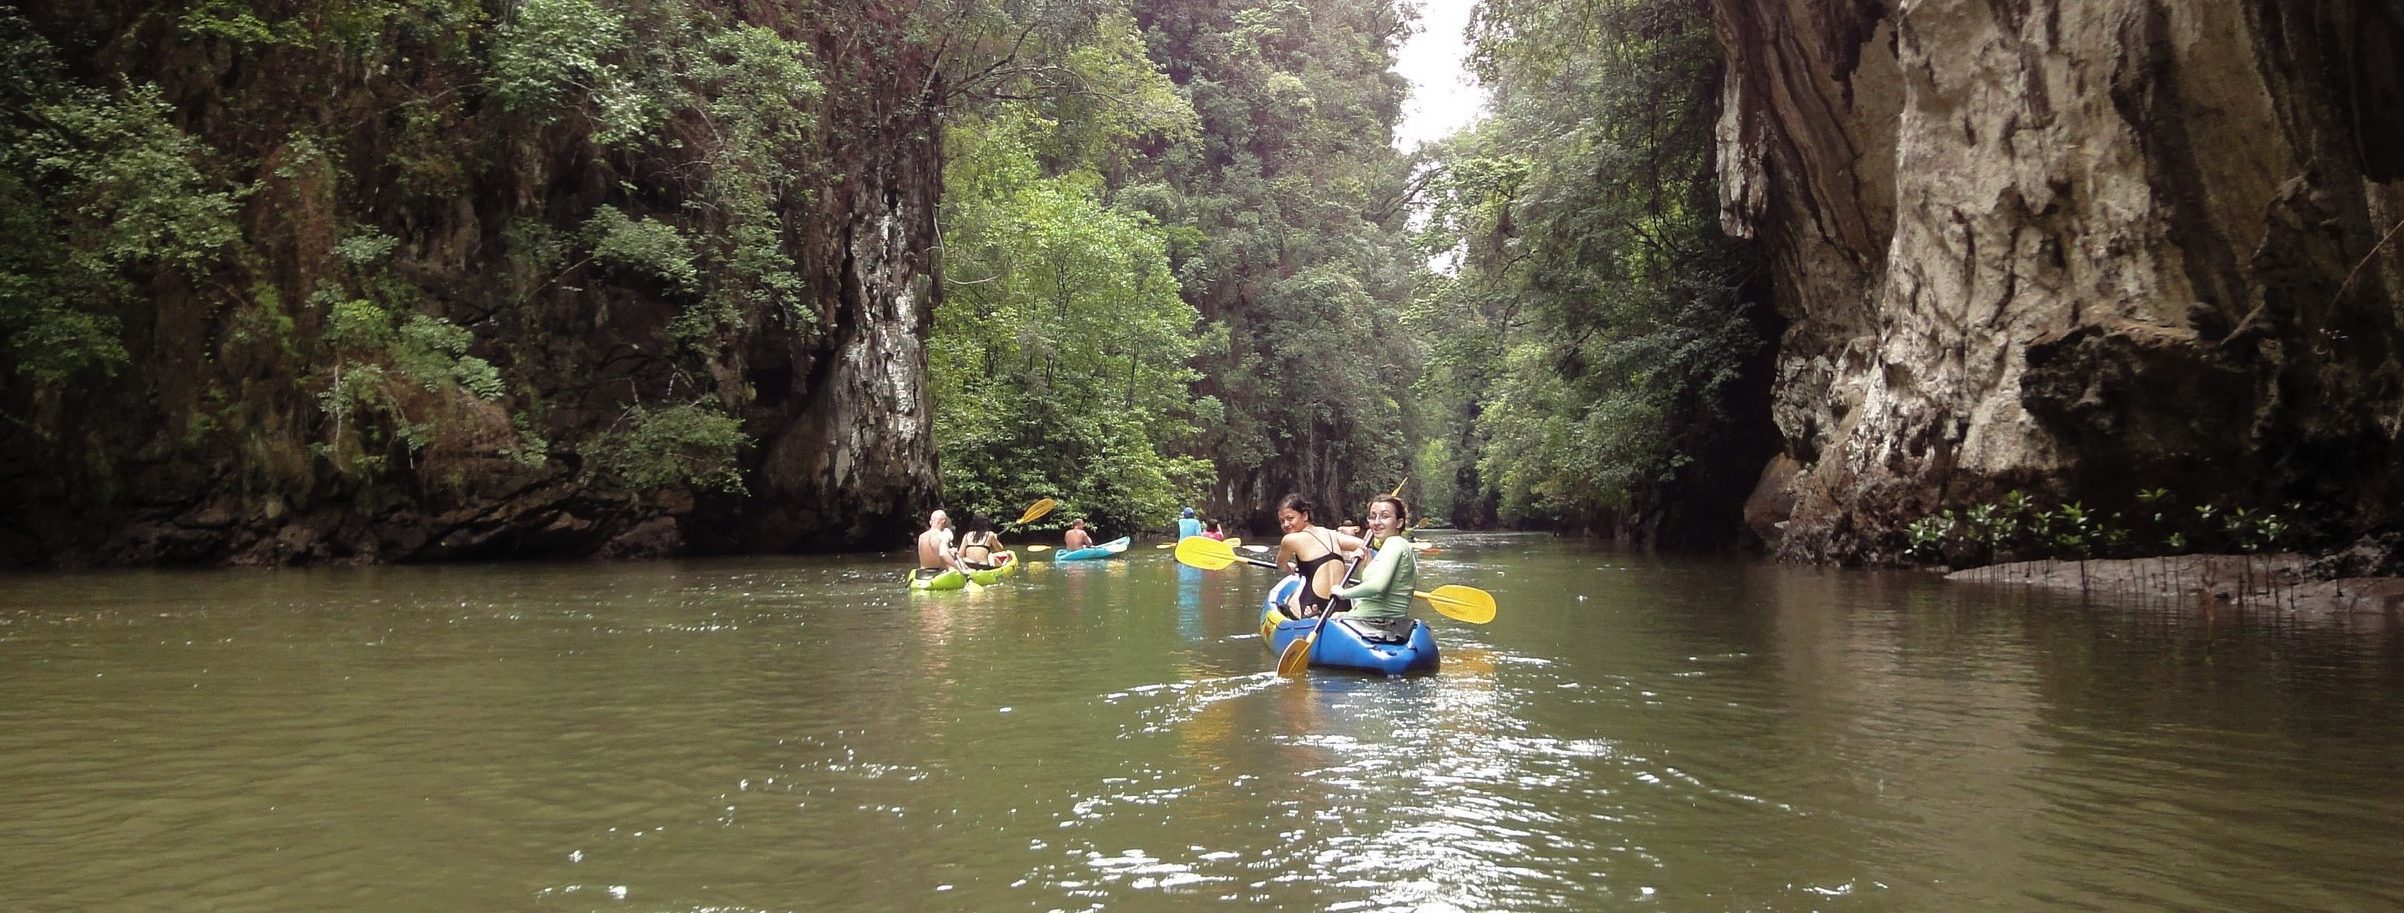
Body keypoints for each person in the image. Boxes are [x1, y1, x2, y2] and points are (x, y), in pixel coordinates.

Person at [1333, 495, 1419, 640]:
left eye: (1384, 516)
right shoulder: (1388, 547)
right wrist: (1364, 564)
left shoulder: (1395, 543)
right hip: (1377, 620)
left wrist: (1343, 593)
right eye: (1373, 517)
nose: (1377, 522)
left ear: (1399, 523)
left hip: (1378, 622)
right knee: (1336, 614)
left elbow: (1377, 586)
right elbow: (1369, 589)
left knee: (1327, 615)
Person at [1271, 493, 1365, 619]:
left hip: (1312, 605)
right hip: (1340, 604)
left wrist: (1289, 567)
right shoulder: (1331, 534)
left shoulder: (1290, 539)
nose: (1286, 524)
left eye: (1290, 518)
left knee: (1290, 599)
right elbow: (1363, 545)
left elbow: (1281, 565)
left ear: (1305, 515)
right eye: (1282, 521)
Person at [917, 510, 966, 576]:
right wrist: (959, 570)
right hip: (938, 573)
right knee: (953, 567)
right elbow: (943, 554)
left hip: (923, 573)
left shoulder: (921, 536)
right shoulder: (941, 535)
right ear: (944, 521)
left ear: (930, 522)